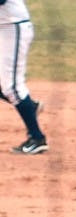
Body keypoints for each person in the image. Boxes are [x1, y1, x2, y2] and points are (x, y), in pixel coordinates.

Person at [0, 0, 46, 154]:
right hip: (4, 27)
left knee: (12, 87)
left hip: (12, 28)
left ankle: (37, 138)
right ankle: (29, 107)